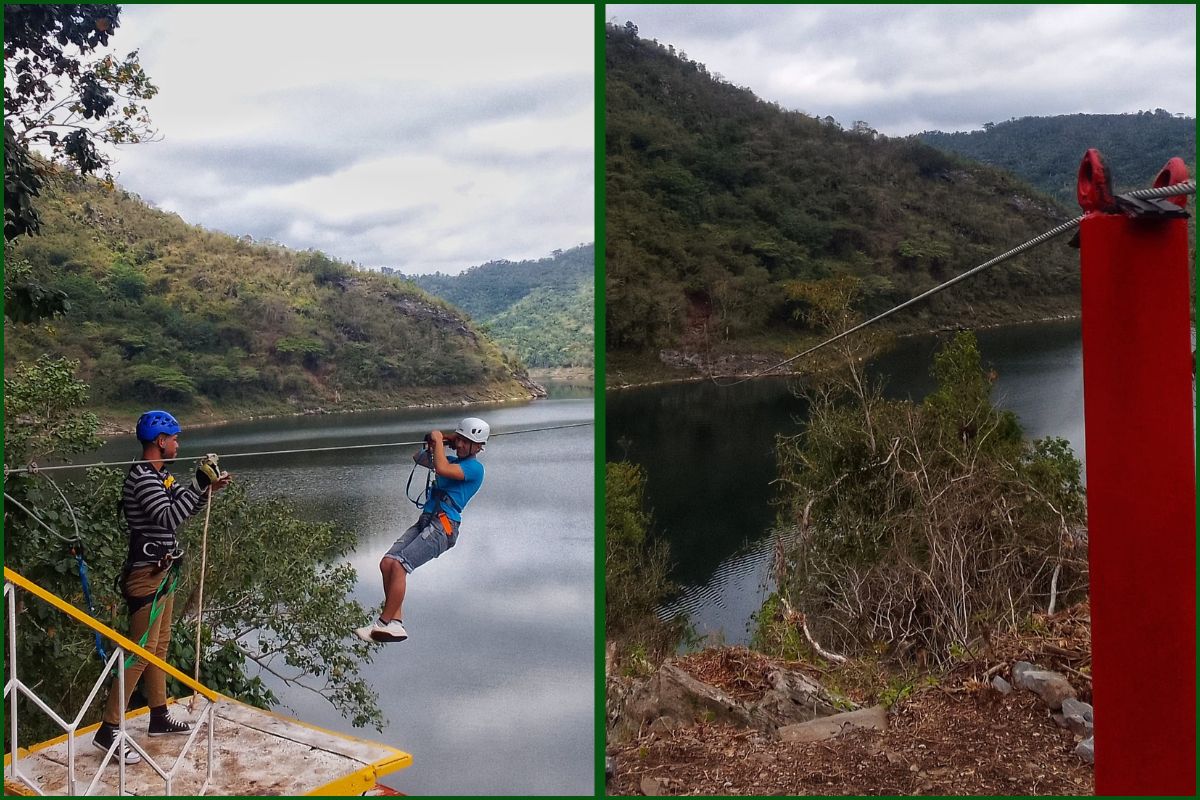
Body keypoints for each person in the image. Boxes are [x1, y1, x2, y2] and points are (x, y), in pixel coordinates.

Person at [92, 410, 231, 764]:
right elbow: (169, 517)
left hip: (163, 571)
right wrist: (199, 486)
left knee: (160, 646)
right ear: (160, 442)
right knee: (141, 650)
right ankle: (108, 731)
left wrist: (204, 490)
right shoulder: (143, 478)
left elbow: (181, 509)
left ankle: (158, 715)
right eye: (174, 439)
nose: (177, 444)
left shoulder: (161, 476)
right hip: (145, 575)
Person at [356, 417, 489, 643]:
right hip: (428, 520)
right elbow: (418, 458)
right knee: (387, 562)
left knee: (400, 565)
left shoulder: (474, 468)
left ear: (478, 447)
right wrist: (439, 441)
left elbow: (443, 468)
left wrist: (439, 439)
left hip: (443, 527)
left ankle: (383, 624)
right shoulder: (447, 458)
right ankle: (396, 622)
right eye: (460, 441)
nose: (461, 446)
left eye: (467, 442)